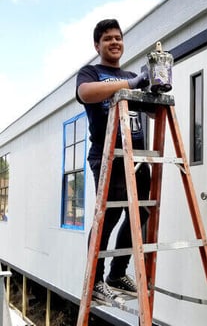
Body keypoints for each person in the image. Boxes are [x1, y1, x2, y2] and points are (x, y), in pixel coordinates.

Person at [76, 19, 150, 304]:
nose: (114, 42)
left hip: (137, 154)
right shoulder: (91, 73)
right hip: (108, 153)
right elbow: (85, 94)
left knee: (140, 212)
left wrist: (155, 86)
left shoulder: (132, 73)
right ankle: (95, 281)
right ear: (98, 45)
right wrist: (129, 85)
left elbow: (152, 113)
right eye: (107, 38)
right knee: (109, 215)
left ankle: (117, 273)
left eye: (118, 37)